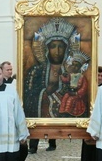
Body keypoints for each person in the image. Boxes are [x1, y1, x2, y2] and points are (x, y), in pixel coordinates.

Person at [25, 18, 85, 153]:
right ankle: (33, 146)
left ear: (67, 49)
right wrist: (44, 92)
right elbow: (28, 94)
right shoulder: (37, 70)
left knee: (54, 123)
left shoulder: (70, 70)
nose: (57, 51)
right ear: (46, 49)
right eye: (53, 46)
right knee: (37, 124)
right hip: (41, 110)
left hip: (61, 111)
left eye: (61, 47)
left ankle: (52, 143)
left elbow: (76, 89)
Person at [80, 65, 102, 161]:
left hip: (101, 120)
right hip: (89, 118)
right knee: (87, 141)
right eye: (98, 75)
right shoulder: (89, 87)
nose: (100, 77)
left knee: (98, 144)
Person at [59, 50, 90, 116]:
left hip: (76, 93)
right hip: (70, 91)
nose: (74, 67)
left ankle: (68, 112)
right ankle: (63, 112)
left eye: (77, 65)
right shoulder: (71, 75)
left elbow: (84, 88)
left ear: (80, 67)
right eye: (73, 65)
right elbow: (66, 80)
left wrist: (76, 93)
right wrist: (62, 76)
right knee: (65, 97)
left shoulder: (82, 77)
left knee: (70, 99)